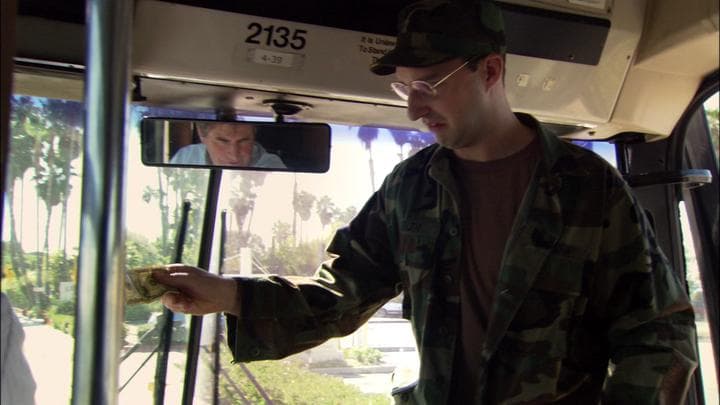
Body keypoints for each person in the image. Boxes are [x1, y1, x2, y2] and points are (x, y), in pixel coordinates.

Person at [153, 0, 698, 403]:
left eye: (430, 85)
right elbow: (343, 292)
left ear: (490, 70)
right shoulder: (410, 189)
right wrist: (228, 294)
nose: (414, 108)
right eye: (403, 88)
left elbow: (656, 332)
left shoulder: (590, 189)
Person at [170, 121, 286, 168]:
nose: (234, 155)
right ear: (202, 135)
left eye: (243, 141)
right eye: (223, 141)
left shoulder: (272, 168)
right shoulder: (185, 158)